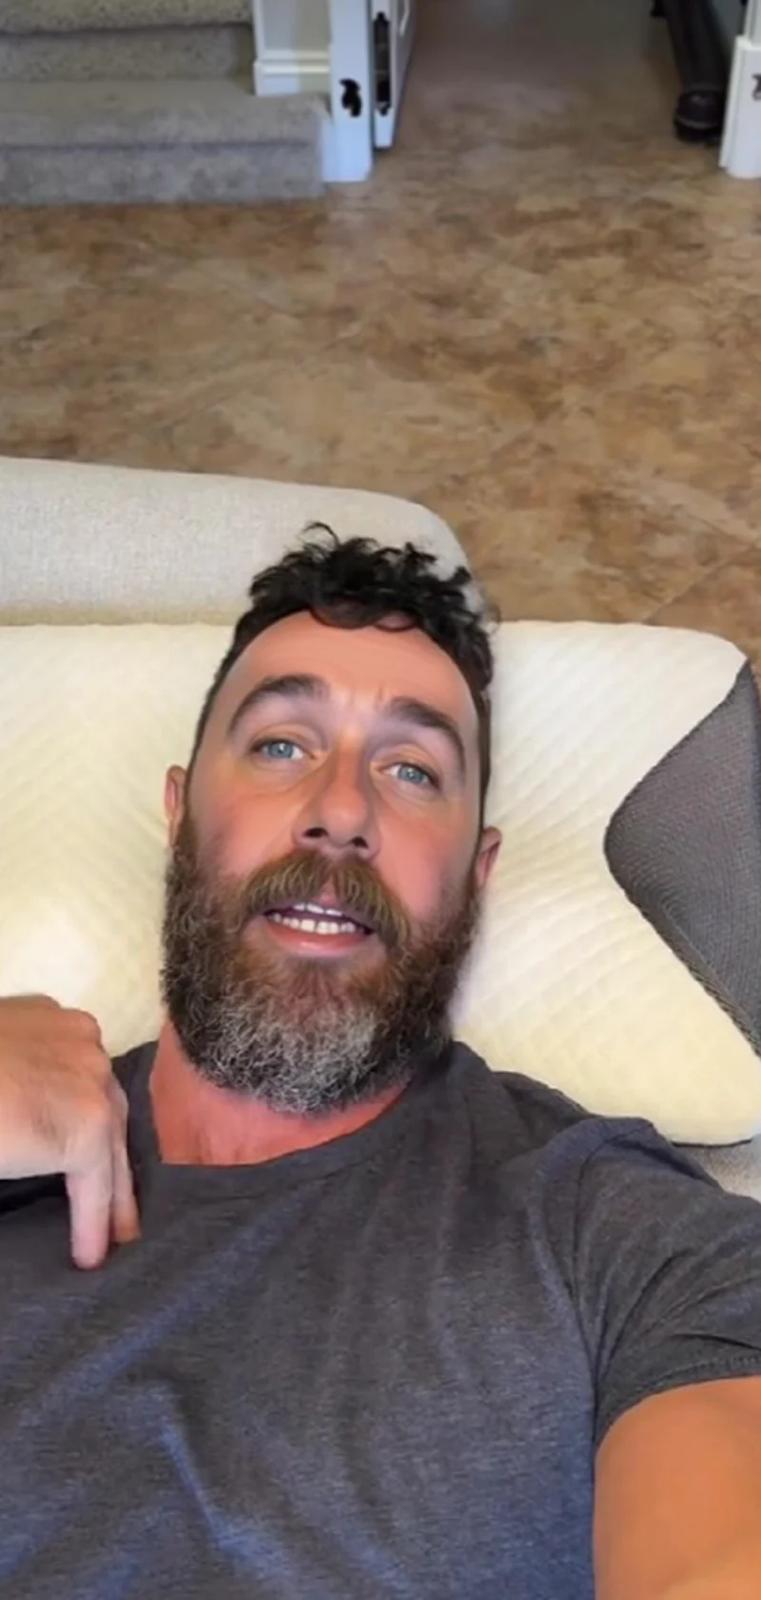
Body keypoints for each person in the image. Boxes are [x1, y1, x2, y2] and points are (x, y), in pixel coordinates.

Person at [2, 531, 761, 1600]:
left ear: (475, 873)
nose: (342, 811)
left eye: (412, 771)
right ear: (178, 817)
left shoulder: (615, 1237)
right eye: (280, 746)